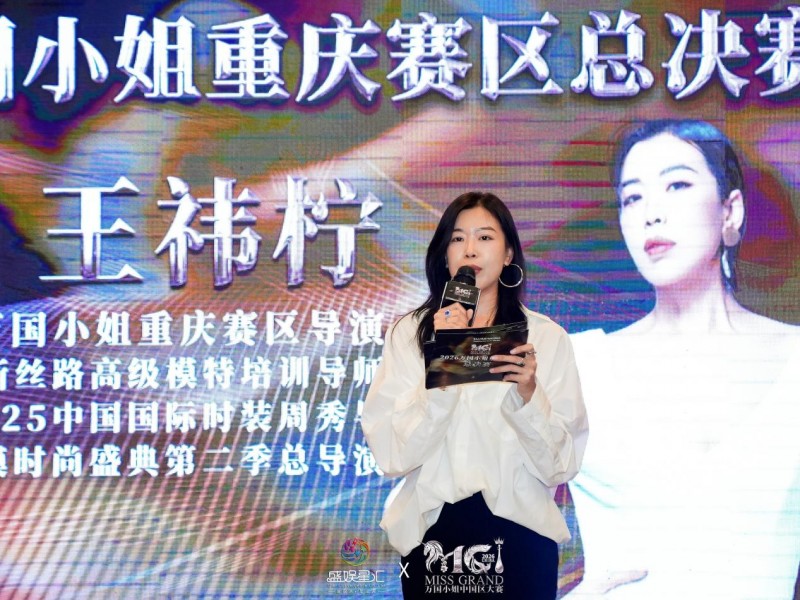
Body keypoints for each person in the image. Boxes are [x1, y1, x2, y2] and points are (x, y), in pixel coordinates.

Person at [566, 120, 800, 598]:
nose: (651, 214)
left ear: (730, 211)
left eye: (677, 185)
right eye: (633, 198)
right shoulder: (576, 366)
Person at [361, 191, 589, 598]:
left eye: (484, 237)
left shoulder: (545, 338)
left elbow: (560, 466)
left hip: (520, 538)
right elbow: (393, 455)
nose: (470, 249)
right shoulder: (410, 334)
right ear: (444, 256)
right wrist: (445, 361)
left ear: (508, 254)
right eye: (457, 238)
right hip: (434, 537)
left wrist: (528, 395)